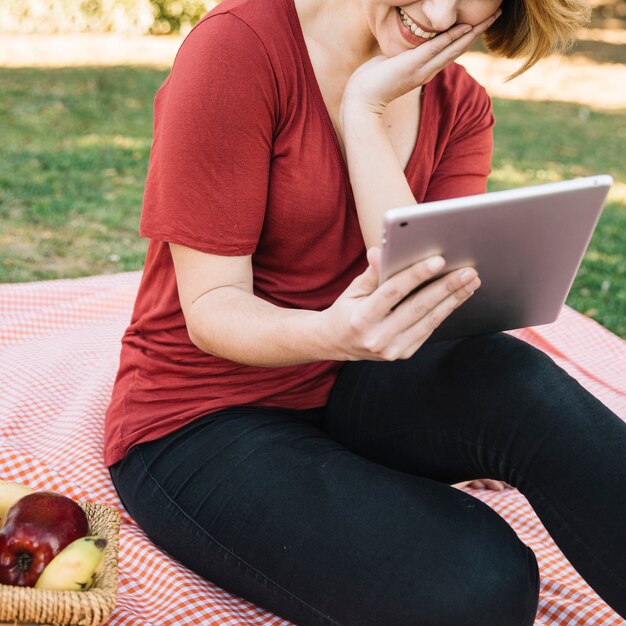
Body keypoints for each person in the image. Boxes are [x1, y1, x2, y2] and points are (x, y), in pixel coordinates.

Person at [105, 0, 626, 624]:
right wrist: (333, 330)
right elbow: (211, 312)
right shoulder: (238, 49)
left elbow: (423, 298)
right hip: (204, 418)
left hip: (358, 385)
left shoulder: (459, 103)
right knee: (480, 584)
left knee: (522, 380)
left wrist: (366, 111)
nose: (437, 12)